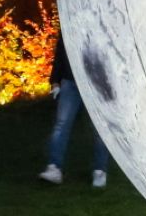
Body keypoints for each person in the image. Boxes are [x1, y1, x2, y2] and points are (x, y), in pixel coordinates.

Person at [38, 35, 111, 188]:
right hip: (71, 81)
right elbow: (61, 51)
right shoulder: (70, 21)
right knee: (62, 124)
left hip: (96, 80)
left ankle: (100, 169)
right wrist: (55, 80)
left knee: (100, 127)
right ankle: (54, 167)